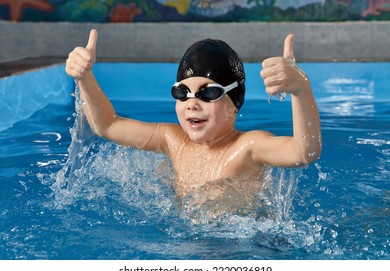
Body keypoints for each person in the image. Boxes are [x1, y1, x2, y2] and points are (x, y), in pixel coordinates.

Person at [65, 29, 321, 200]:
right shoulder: (172, 140)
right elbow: (107, 126)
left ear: (234, 103)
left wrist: (301, 90)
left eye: (207, 94)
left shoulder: (248, 147)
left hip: (247, 245)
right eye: (182, 92)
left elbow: (304, 152)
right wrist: (84, 77)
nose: (192, 103)